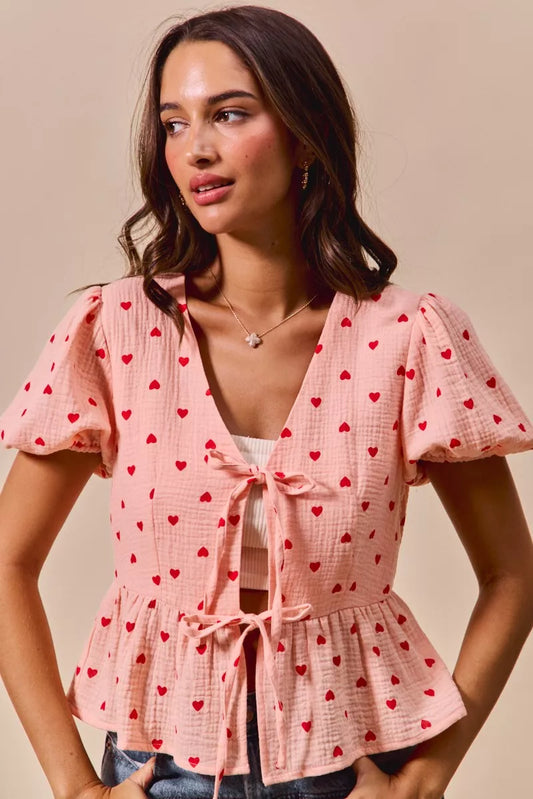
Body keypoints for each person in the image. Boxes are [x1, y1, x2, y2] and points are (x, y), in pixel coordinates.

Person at [0, 5, 532, 799]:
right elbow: (7, 560)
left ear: (305, 135)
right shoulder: (115, 328)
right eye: (174, 124)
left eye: (230, 113)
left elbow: (511, 573)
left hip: (350, 765)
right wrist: (73, 786)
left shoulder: (411, 337)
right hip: (161, 768)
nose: (196, 149)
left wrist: (425, 778)